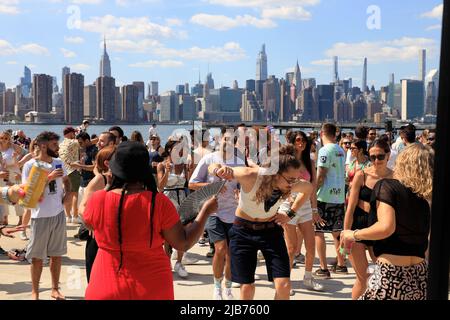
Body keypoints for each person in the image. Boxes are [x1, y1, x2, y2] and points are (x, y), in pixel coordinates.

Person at [81, 141, 218, 300]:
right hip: (152, 286)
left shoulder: (99, 199)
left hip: (106, 284)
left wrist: (105, 187)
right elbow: (183, 242)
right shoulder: (158, 202)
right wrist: (205, 211)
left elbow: (87, 221)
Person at [210, 145, 313, 300]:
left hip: (270, 231)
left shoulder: (291, 184)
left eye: (295, 179)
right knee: (247, 288)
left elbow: (308, 188)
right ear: (276, 174)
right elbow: (213, 166)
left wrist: (290, 214)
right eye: (290, 179)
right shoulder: (250, 176)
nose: (293, 184)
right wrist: (218, 170)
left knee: (284, 285)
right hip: (242, 231)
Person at [341, 144, 433, 300]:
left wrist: (353, 234)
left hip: (392, 273)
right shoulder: (426, 197)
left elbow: (386, 227)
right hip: (420, 274)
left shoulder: (387, 186)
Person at [189, 128, 243, 300]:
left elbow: (244, 185)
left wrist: (240, 192)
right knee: (220, 249)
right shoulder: (208, 159)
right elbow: (192, 184)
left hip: (234, 212)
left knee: (231, 253)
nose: (228, 143)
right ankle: (217, 287)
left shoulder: (239, 162)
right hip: (213, 211)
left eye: (232, 140)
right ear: (219, 140)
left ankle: (227, 288)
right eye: (225, 139)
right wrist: (212, 188)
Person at [22, 131, 70, 300]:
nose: (58, 147)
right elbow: (26, 192)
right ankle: (35, 292)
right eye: (54, 144)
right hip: (39, 216)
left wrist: (68, 195)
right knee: (37, 258)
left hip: (58, 215)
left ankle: (55, 289)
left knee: (56, 255)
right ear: (43, 146)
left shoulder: (58, 162)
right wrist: (47, 178)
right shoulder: (31, 165)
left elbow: (66, 181)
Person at [343, 139, 393, 299]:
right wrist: (345, 235)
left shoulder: (395, 178)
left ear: (388, 155)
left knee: (382, 276)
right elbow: (350, 209)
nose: (376, 161)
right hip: (358, 228)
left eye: (380, 156)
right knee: (363, 277)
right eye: (373, 157)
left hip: (379, 230)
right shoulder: (361, 175)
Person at [278, 131, 324, 293]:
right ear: (292, 142)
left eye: (304, 140)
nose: (301, 143)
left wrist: (314, 209)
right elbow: (279, 183)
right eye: (298, 140)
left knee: (310, 246)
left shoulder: (309, 162)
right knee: (290, 249)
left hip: (305, 207)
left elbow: (312, 188)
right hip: (288, 206)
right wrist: (285, 198)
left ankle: (308, 278)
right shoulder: (285, 161)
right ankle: (286, 281)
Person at [157, 138, 196, 278]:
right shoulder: (162, 165)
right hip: (168, 199)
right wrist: (167, 172)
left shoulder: (184, 164)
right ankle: (166, 263)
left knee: (183, 231)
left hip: (182, 198)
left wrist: (190, 171)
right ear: (169, 150)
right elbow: (160, 187)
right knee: (167, 234)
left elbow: (189, 184)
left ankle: (179, 262)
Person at [78, 146, 116, 282]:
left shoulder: (123, 179)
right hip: (97, 236)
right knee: (96, 277)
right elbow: (82, 207)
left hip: (114, 236)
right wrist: (92, 223)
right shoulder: (100, 180)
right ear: (107, 163)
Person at [314, 123, 347, 279]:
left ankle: (323, 268)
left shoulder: (324, 150)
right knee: (337, 232)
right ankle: (341, 264)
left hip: (324, 195)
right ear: (335, 134)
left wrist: (313, 191)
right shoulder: (341, 150)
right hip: (339, 195)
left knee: (318, 231)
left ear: (322, 133)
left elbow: (321, 174)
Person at [0, 131, 25, 227]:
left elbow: (26, 153)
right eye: (2, 138)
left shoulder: (13, 147)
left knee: (16, 196)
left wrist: (19, 164)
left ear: (9, 139)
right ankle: (5, 218)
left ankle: (21, 218)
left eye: (6, 138)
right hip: (3, 175)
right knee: (3, 196)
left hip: (14, 174)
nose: (3, 140)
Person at [59, 127, 82, 224]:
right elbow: (86, 142)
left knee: (67, 193)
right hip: (73, 170)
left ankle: (68, 216)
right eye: (74, 133)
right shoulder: (73, 142)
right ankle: (75, 216)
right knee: (75, 194)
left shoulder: (61, 144)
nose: (75, 135)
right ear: (70, 133)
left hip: (64, 171)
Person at [72, 132, 98, 202]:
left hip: (90, 183)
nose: (79, 145)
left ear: (87, 141)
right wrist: (79, 165)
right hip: (83, 182)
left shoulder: (94, 150)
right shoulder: (85, 149)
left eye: (80, 143)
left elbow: (94, 167)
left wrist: (79, 165)